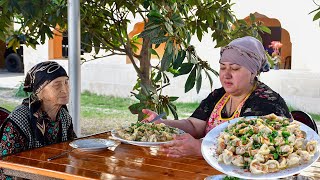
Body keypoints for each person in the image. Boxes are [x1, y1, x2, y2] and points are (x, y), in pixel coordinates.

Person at [142, 36, 291, 158]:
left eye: (235, 68)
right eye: (222, 67)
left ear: (253, 72)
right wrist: (162, 123)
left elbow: (251, 150)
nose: (226, 75)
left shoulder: (266, 102)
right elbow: (194, 126)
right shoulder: (218, 95)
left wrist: (200, 149)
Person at [0, 61, 76, 157]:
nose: (65, 90)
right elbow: (6, 164)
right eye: (57, 85)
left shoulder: (64, 116)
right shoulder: (20, 119)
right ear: (39, 91)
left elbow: (74, 149)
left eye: (66, 82)